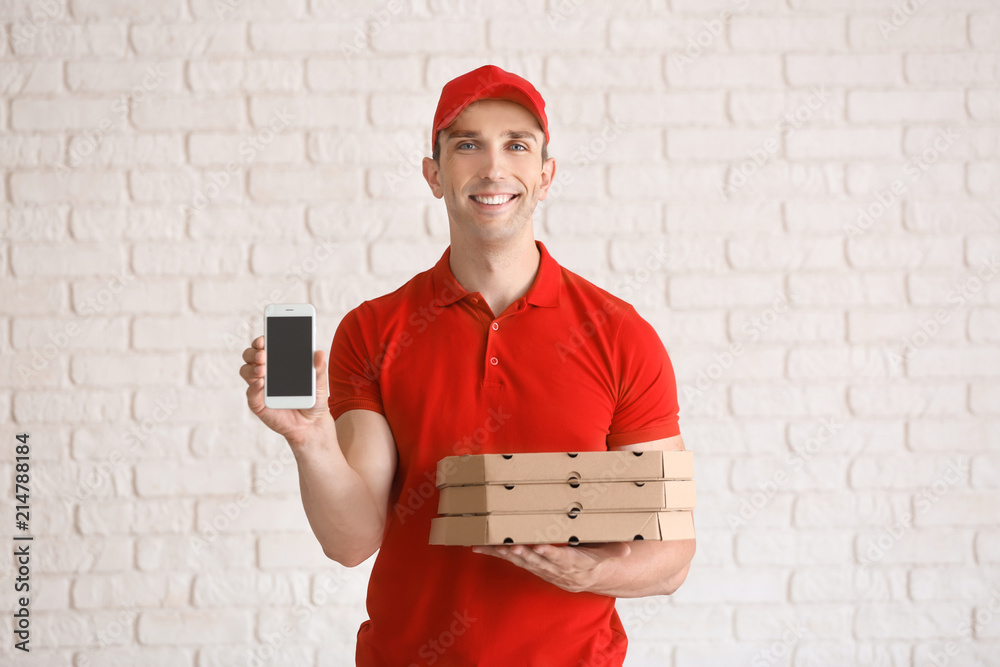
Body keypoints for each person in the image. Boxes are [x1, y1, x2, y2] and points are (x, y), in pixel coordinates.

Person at [240, 64, 695, 666]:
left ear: (546, 174)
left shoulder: (620, 335)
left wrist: (586, 573)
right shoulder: (374, 330)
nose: (494, 167)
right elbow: (351, 542)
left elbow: (672, 558)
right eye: (467, 145)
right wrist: (310, 437)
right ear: (434, 174)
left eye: (517, 145)